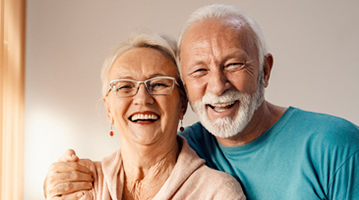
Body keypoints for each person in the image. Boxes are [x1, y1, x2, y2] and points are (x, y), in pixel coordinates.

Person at [44, 4, 359, 200]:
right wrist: (58, 181)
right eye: (199, 71)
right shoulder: (188, 143)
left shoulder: (334, 146)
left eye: (234, 65)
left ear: (265, 70)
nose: (218, 86)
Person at [43, 32, 245, 200]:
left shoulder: (217, 192)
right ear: (109, 110)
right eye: (124, 86)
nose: (142, 98)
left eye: (158, 84)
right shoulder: (82, 184)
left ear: (182, 104)